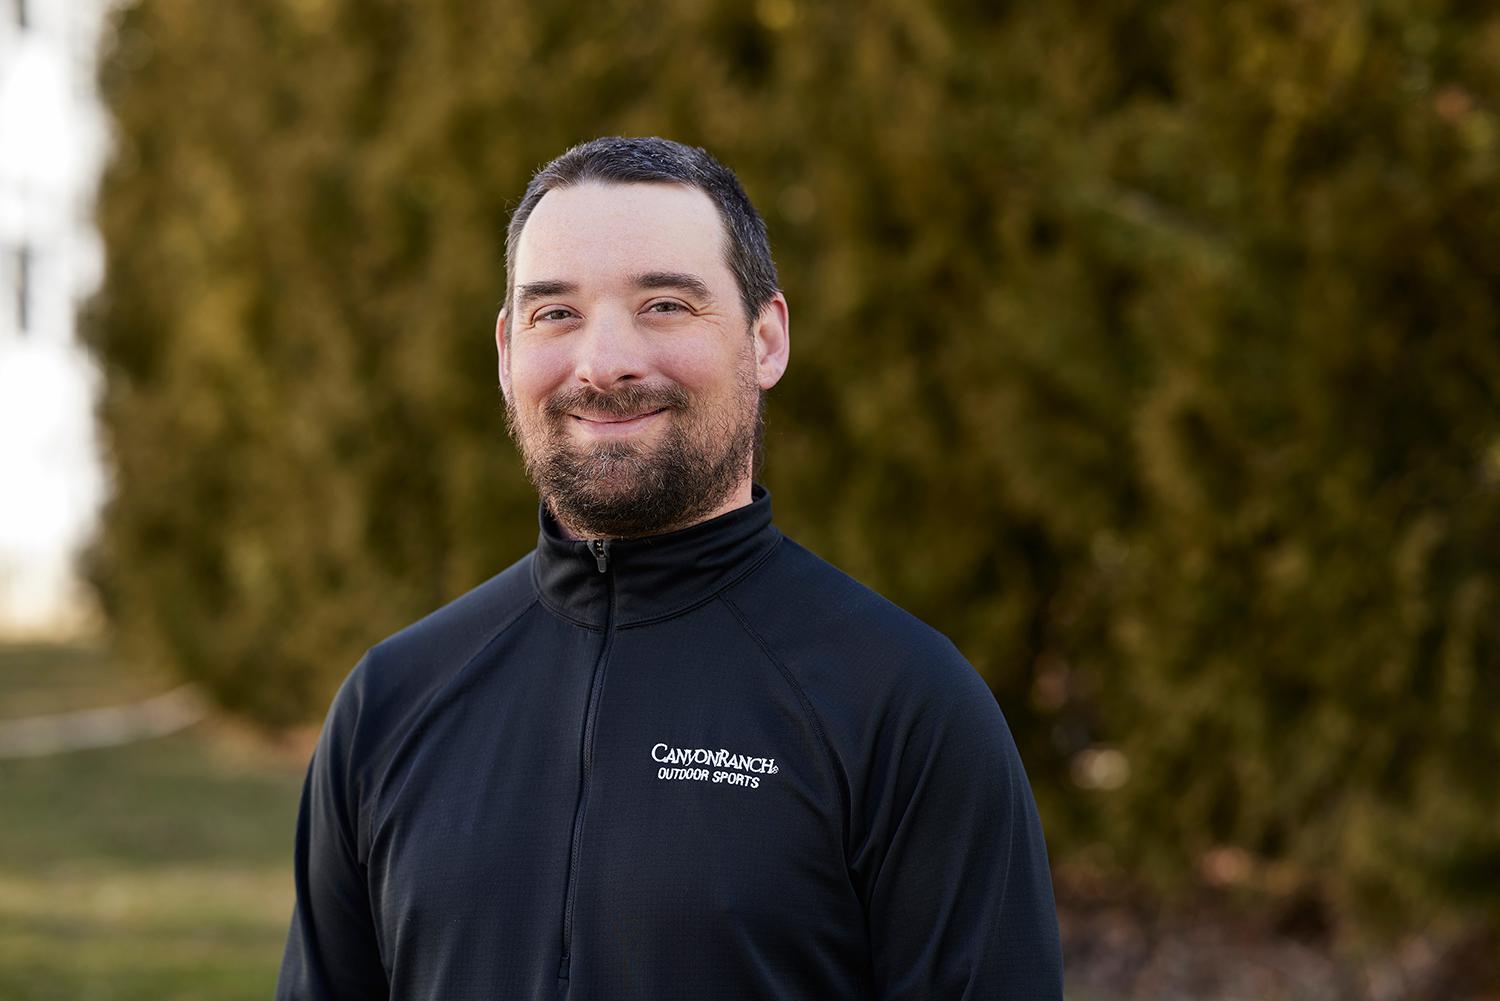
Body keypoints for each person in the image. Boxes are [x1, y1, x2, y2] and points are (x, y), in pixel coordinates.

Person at [276, 136, 1063, 1000]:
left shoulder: (905, 706)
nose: (603, 362)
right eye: (555, 313)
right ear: (506, 353)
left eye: (664, 305)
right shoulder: (388, 705)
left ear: (766, 339)